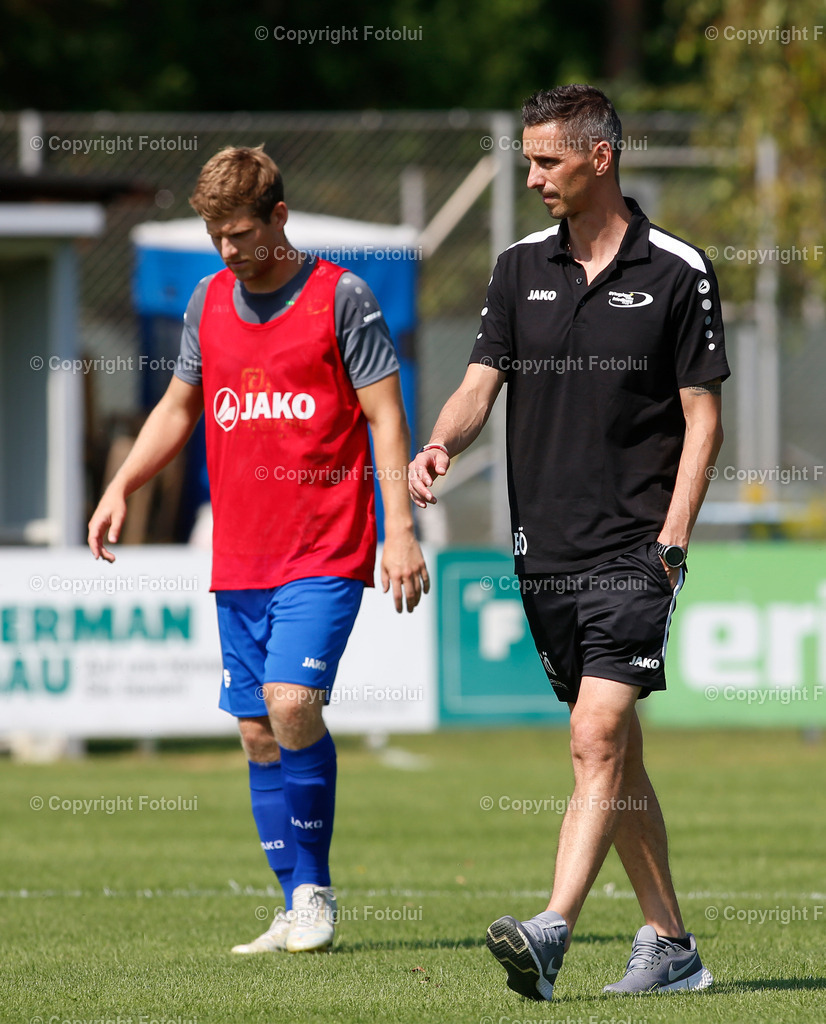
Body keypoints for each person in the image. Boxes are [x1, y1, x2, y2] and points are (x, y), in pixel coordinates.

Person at [409, 84, 728, 999]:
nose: (534, 177)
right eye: (529, 162)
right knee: (616, 756)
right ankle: (672, 946)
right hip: (543, 551)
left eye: (547, 161)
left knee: (595, 735)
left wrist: (672, 542)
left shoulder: (678, 270)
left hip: (638, 548)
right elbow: (480, 383)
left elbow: (704, 421)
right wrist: (439, 444)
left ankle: (551, 930)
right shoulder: (515, 268)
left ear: (600, 157)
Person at [89, 145, 428, 954]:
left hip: (324, 549)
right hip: (239, 556)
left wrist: (401, 527)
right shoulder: (206, 301)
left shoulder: (341, 298)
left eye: (240, 232)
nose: (228, 251)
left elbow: (385, 416)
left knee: (290, 704)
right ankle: (292, 899)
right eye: (216, 236)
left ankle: (314, 895)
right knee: (255, 731)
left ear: (279, 215)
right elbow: (178, 406)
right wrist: (122, 485)